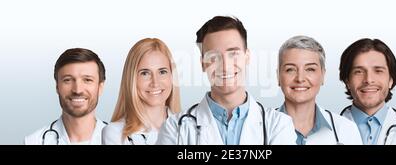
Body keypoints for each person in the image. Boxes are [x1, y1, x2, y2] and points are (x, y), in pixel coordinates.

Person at [156, 16, 296, 145]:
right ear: (203, 64)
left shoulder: (278, 125)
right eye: (213, 57)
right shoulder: (175, 129)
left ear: (247, 57)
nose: (225, 66)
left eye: (233, 53)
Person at [339, 38, 396, 145]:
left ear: (391, 80)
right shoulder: (325, 134)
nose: (369, 80)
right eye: (359, 71)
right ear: (347, 81)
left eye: (378, 71)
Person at [276, 35, 362, 145]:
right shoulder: (261, 128)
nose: (300, 78)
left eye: (310, 69)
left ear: (323, 76)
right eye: (290, 69)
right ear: (278, 76)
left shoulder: (346, 130)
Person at [102, 38, 181, 145]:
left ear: (172, 76)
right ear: (131, 79)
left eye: (162, 72)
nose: (155, 82)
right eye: (145, 73)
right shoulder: (115, 134)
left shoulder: (190, 127)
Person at [24, 48, 108, 145]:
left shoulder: (122, 141)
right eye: (68, 80)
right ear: (57, 87)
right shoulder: (34, 142)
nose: (78, 90)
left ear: (100, 87)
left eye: (87, 80)